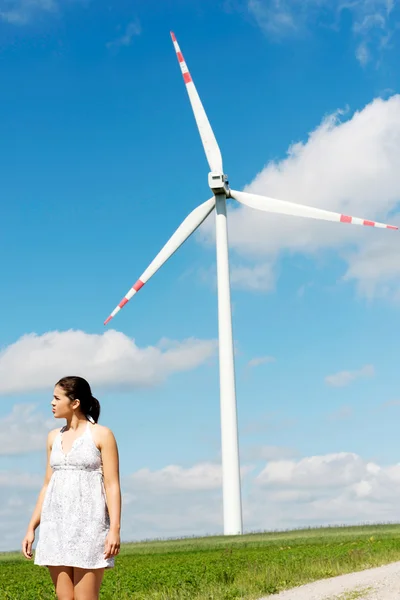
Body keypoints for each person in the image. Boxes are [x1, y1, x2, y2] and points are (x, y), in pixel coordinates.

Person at [22, 376, 121, 600]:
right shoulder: (52, 437)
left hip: (90, 528)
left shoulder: (102, 434)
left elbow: (112, 485)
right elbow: (47, 484)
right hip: (56, 527)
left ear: (75, 403)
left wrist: (114, 529)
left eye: (57, 398)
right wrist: (31, 527)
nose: (51, 403)